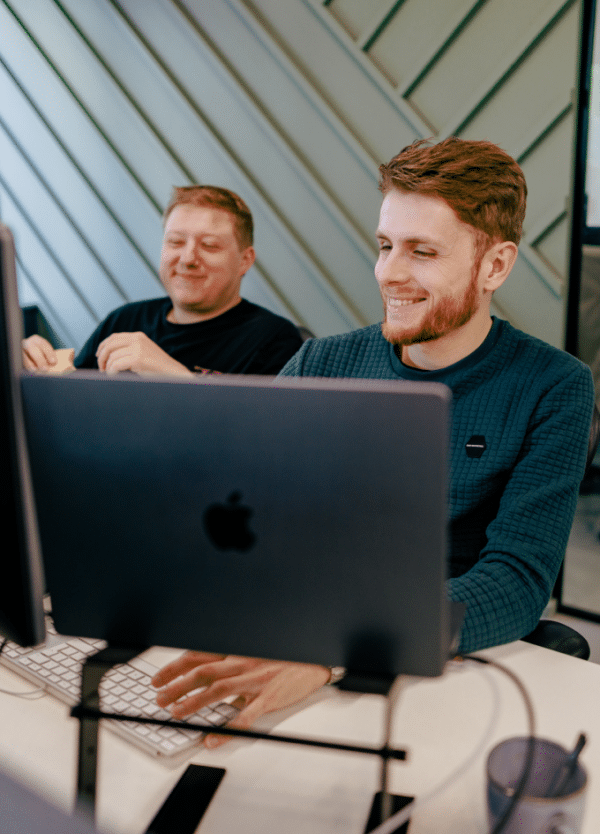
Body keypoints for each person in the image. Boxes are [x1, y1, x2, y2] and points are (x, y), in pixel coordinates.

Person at [154, 138, 594, 747]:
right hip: (293, 630)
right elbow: (242, 509)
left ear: (494, 266)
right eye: (386, 245)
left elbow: (516, 582)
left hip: (435, 666)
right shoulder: (321, 364)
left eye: (423, 252)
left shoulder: (555, 387)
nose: (390, 272)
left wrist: (335, 648)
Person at [21, 186, 303, 376]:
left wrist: (172, 374)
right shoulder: (124, 320)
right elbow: (72, 407)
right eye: (176, 242)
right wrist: (29, 369)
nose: (188, 258)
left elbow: (261, 434)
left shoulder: (275, 339)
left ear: (245, 260)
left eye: (209, 245)